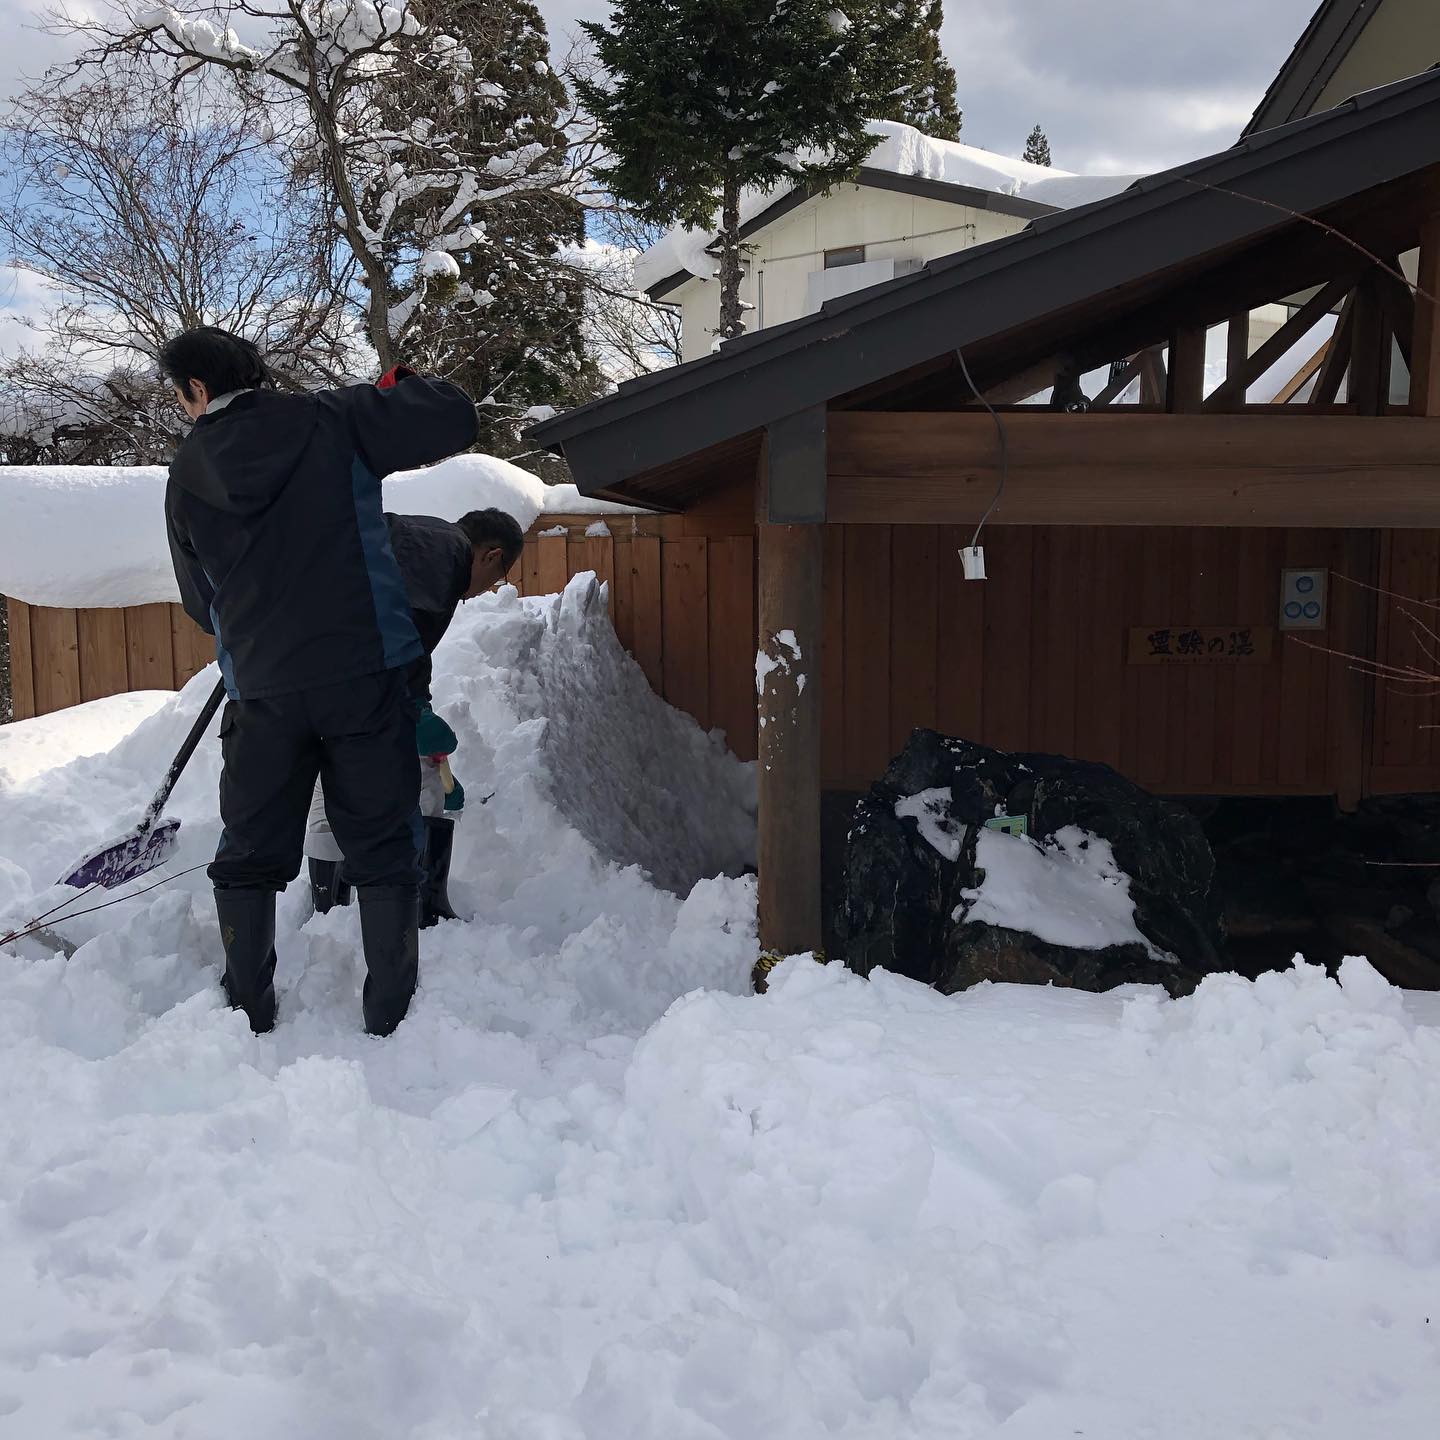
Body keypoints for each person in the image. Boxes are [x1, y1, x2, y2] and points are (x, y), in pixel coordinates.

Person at [161, 326, 479, 1037]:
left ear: (197, 390)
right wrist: (398, 382)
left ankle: (249, 1009)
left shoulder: (186, 475)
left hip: (264, 689)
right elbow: (454, 415)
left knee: (249, 854)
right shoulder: (330, 416)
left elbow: (197, 600)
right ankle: (389, 1013)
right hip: (366, 676)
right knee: (383, 848)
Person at [305, 508, 523, 927]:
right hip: (344, 681)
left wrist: (418, 706)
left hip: (322, 673)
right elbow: (390, 636)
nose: (483, 591)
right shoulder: (439, 554)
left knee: (333, 789)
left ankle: (330, 913)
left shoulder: (432, 547)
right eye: (497, 579)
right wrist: (411, 712)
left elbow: (409, 648)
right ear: (491, 556)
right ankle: (417, 905)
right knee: (347, 788)